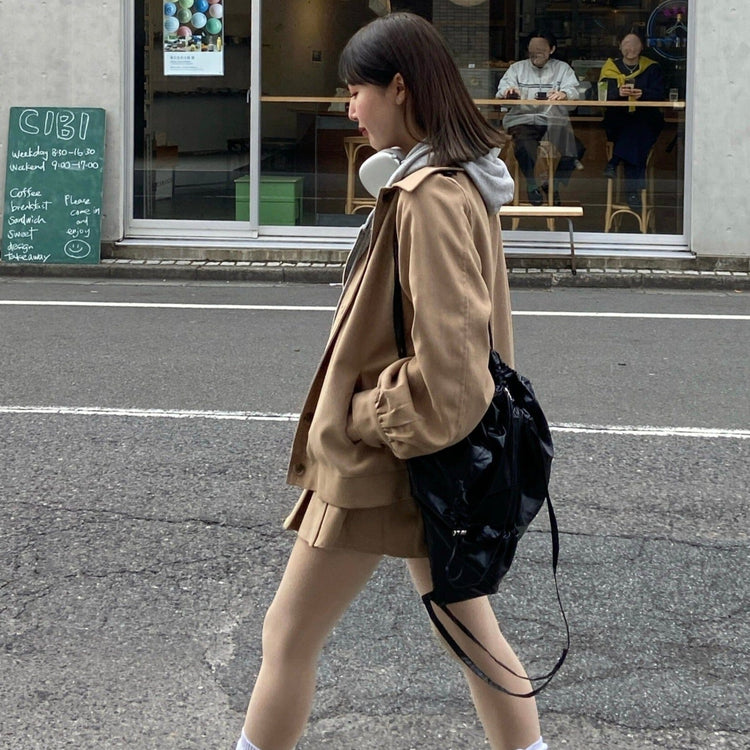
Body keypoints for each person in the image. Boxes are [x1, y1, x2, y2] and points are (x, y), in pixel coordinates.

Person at [234, 12, 550, 750]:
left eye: (356, 91)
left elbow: (450, 373)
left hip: (386, 460)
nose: (350, 109)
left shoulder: (428, 195)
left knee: (287, 635)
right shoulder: (455, 181)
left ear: (400, 88)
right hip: (427, 459)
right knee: (469, 637)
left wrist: (358, 415)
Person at [496, 30, 584, 206]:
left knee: (575, 149)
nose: (535, 53)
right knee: (524, 146)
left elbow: (575, 92)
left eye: (541, 50)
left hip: (553, 120)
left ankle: (552, 185)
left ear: (552, 49)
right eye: (532, 50)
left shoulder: (562, 69)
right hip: (522, 119)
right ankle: (532, 185)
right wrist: (508, 92)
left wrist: (565, 94)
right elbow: (501, 93)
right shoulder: (517, 69)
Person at [599, 30, 666, 212]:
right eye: (627, 43)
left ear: (642, 47)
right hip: (618, 122)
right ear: (619, 46)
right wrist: (617, 93)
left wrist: (643, 94)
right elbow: (599, 95)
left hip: (646, 120)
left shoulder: (652, 68)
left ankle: (615, 161)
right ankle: (632, 192)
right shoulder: (610, 68)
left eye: (635, 44)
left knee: (638, 128)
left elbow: (660, 94)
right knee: (635, 136)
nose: (631, 48)